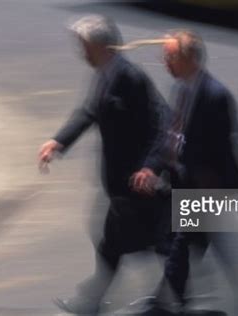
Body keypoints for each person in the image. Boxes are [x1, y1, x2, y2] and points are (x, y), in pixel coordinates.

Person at [131, 30, 238, 316]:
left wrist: (208, 186)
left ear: (189, 58)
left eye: (170, 57)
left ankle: (164, 306)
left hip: (208, 187)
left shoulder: (215, 95)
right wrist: (151, 167)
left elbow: (225, 144)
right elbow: (169, 138)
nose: (165, 63)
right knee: (202, 243)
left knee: (182, 243)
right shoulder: (181, 89)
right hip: (187, 185)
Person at [38, 15, 170, 315]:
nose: (80, 51)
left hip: (137, 180)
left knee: (146, 242)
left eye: (83, 45)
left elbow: (160, 122)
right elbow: (88, 112)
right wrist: (58, 142)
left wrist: (149, 167)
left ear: (98, 45)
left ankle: (157, 299)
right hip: (123, 182)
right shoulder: (105, 72)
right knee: (125, 243)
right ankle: (154, 299)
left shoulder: (130, 78)